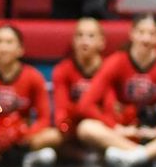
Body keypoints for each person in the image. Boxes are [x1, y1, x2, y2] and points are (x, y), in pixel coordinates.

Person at [77, 14, 156, 167]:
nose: (146, 39)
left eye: (152, 34)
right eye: (141, 32)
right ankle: (151, 154)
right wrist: (116, 128)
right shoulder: (116, 61)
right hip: (125, 130)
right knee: (86, 128)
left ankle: (138, 155)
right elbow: (86, 104)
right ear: (132, 34)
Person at [0, 25, 61, 167]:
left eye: (9, 42)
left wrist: (24, 134)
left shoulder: (33, 76)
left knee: (54, 135)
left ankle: (24, 155)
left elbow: (45, 118)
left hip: (22, 137)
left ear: (20, 50)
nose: (3, 48)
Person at [52, 18, 122, 159]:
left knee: (89, 129)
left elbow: (112, 109)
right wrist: (69, 123)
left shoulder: (110, 69)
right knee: (51, 137)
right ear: (73, 41)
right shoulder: (62, 70)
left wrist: (107, 124)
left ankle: (127, 153)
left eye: (91, 36)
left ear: (102, 42)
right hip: (72, 128)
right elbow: (61, 111)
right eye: (80, 35)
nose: (84, 41)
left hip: (103, 127)